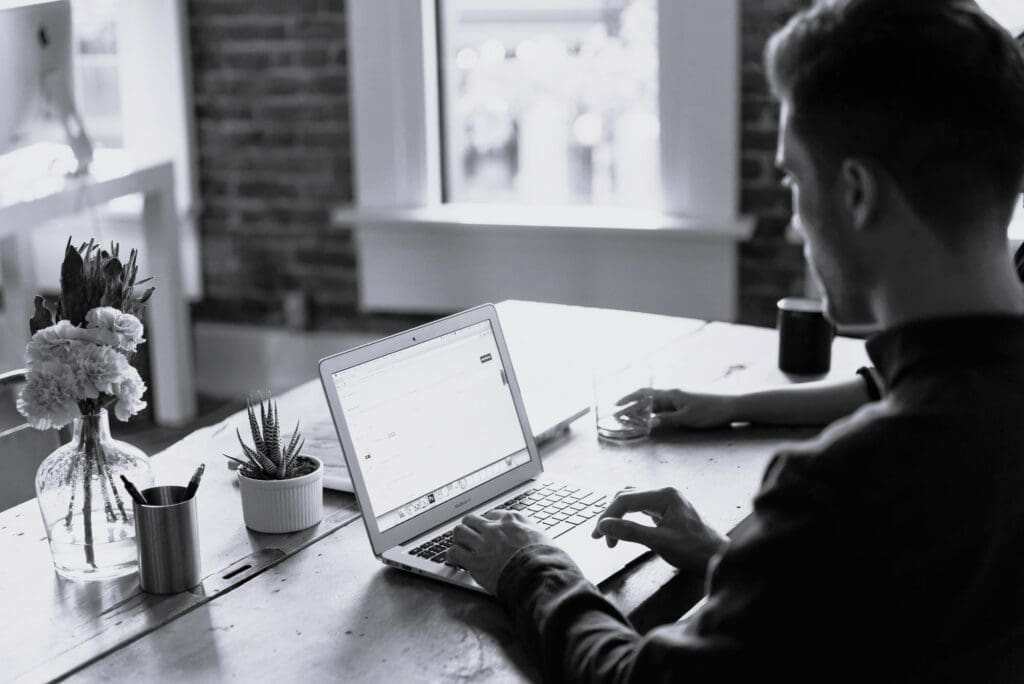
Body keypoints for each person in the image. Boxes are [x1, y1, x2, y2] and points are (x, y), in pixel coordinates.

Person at [447, 1, 1024, 681]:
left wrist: (530, 567)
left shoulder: (846, 487)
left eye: (792, 180)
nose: (793, 229)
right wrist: (745, 568)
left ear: (857, 194)